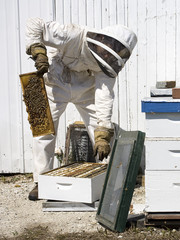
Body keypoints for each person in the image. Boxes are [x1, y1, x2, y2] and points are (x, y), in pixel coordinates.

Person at [25, 18, 137, 200]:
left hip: (85, 89)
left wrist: (103, 132)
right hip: (55, 82)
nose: (111, 55)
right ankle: (41, 182)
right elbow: (35, 24)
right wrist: (38, 51)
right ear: (105, 40)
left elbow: (104, 96)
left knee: (102, 132)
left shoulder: (107, 65)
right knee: (44, 131)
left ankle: (112, 180)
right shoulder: (73, 34)